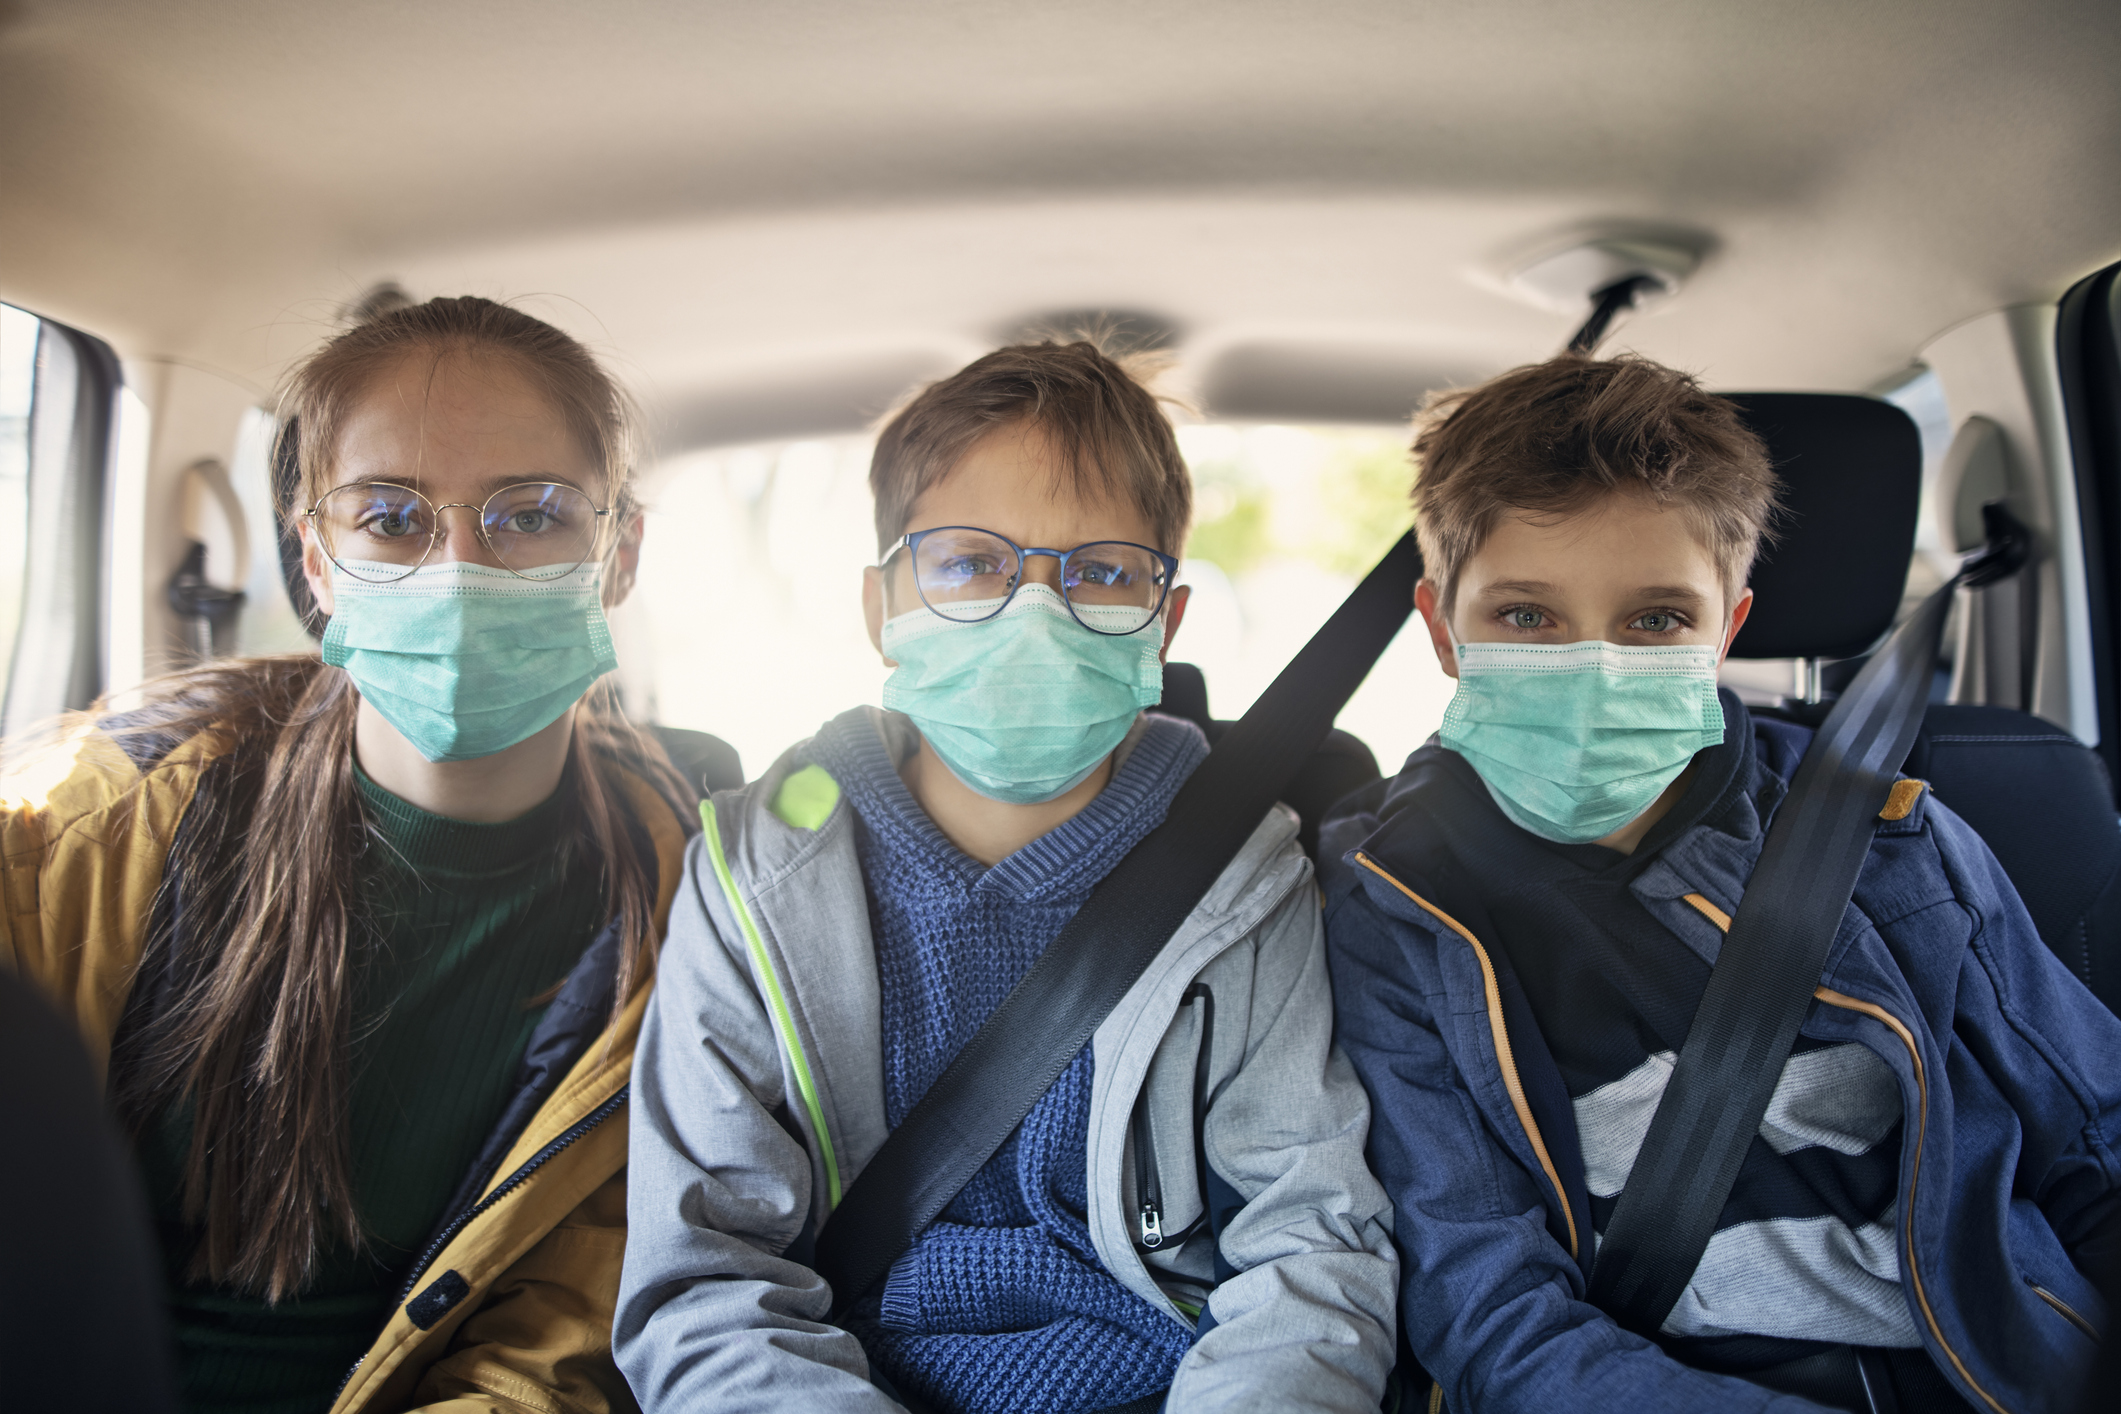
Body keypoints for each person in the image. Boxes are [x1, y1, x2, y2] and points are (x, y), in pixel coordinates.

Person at [1321, 354, 2121, 1413]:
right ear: (1439, 628)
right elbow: (1486, 1301)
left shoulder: (1889, 836)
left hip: (1979, 1370)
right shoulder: (1390, 901)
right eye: (1526, 617)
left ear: (1727, 630)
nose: (1595, 666)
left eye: (1656, 621)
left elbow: (2092, 1144)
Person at [615, 339, 1399, 1414]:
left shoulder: (1245, 877)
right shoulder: (757, 878)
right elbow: (705, 1274)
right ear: (883, 603)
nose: (1036, 608)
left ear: (1161, 624)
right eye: (971, 562)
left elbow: (1309, 1244)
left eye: (1102, 571)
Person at [0, 294, 703, 1413]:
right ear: (315, 561)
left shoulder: (687, 913)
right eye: (391, 514)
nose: (459, 567)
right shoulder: (104, 826)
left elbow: (563, 1331)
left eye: (530, 515)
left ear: (617, 557)